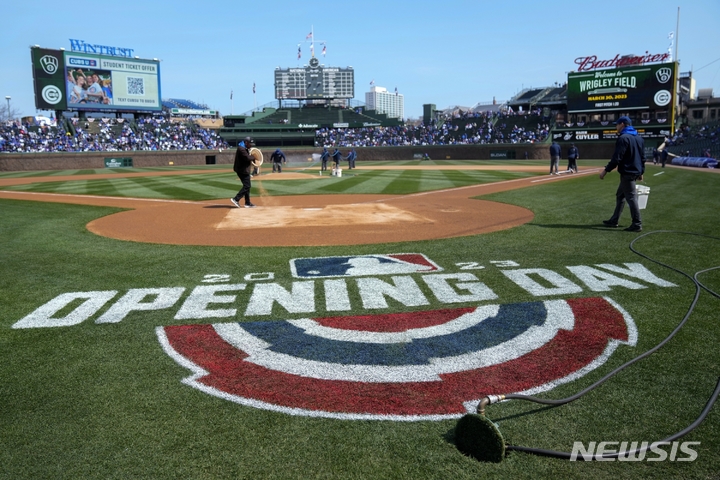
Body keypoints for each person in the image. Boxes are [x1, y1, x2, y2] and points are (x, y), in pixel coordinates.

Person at [599, 116, 645, 232]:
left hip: (628, 172)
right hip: (634, 171)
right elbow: (643, 158)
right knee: (621, 195)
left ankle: (637, 223)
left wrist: (606, 170)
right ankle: (614, 220)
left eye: (617, 124)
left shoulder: (623, 138)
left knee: (631, 197)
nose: (616, 127)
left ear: (622, 124)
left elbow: (617, 158)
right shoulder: (639, 138)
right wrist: (641, 172)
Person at [230, 136, 256, 208]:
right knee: (247, 186)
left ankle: (247, 203)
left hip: (243, 170)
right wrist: (254, 157)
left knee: (247, 186)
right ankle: (236, 199)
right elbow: (247, 158)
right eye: (250, 144)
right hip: (242, 170)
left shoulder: (244, 148)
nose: (251, 146)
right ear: (246, 142)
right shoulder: (241, 149)